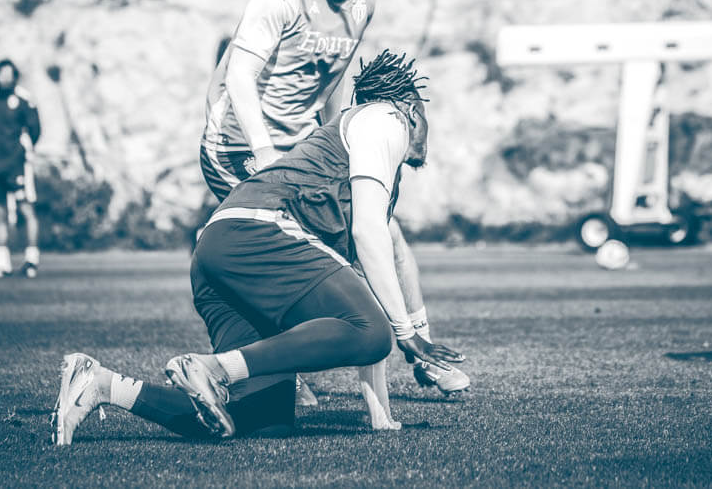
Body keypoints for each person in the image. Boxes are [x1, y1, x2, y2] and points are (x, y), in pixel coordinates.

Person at [52, 51, 464, 444]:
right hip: (258, 235)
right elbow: (369, 239)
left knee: (260, 422)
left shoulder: (356, 154)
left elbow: (364, 287)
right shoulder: (387, 118)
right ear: (413, 109)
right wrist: (407, 333)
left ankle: (102, 384)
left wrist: (382, 417)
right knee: (374, 331)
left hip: (221, 252)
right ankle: (214, 368)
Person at [199, 0, 467, 398]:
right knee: (298, 253)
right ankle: (278, 369)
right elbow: (238, 78)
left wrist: (338, 146)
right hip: (238, 147)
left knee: (387, 236)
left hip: (300, 146)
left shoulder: (363, 5)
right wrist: (265, 153)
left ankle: (425, 352)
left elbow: (333, 84)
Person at [0, 59, 41, 278]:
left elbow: (35, 131)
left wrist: (23, 151)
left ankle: (31, 259)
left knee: (26, 209)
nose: (5, 78)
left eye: (9, 74)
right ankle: (2, 262)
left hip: (17, 165)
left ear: (15, 76)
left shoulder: (24, 101)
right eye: (1, 73)